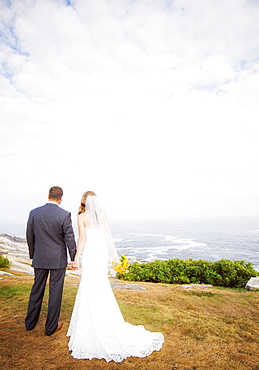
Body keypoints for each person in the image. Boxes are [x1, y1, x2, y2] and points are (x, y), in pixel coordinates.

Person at [67, 191, 164, 362]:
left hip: (90, 254)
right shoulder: (104, 215)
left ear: (85, 201)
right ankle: (104, 317)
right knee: (101, 284)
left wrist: (76, 259)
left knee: (89, 285)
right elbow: (107, 236)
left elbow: (81, 239)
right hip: (101, 253)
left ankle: (90, 322)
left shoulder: (81, 217)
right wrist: (113, 257)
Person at [25, 186, 77, 336]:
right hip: (57, 259)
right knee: (55, 292)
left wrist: (33, 254)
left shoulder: (34, 213)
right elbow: (70, 238)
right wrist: (73, 258)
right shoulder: (64, 214)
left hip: (40, 257)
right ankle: (51, 327)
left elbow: (30, 235)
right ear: (60, 199)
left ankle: (30, 323)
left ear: (48, 196)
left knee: (37, 289)